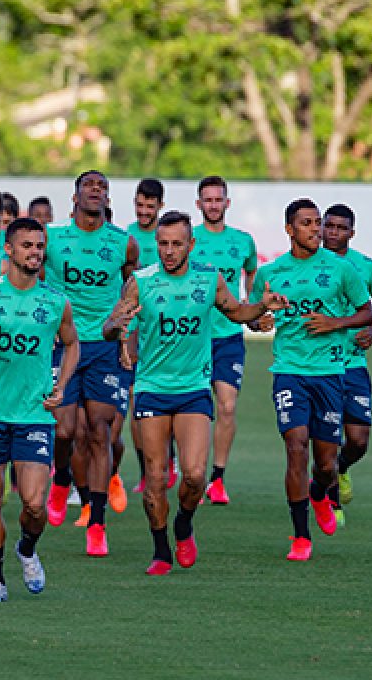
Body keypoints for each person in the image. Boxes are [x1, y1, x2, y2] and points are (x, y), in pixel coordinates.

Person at [104, 211, 286, 574]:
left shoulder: (209, 278)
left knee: (194, 476)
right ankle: (160, 551)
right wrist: (116, 326)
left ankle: (184, 524)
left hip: (193, 389)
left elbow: (236, 312)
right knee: (155, 478)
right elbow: (111, 325)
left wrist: (262, 308)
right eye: (163, 244)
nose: (169, 251)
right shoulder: (141, 282)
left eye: (176, 244)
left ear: (191, 244)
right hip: (153, 389)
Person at [0, 217, 80, 602]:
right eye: (27, 245)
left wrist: (61, 385)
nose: (35, 252)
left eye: (39, 246)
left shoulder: (55, 300)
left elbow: (72, 344)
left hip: (33, 414)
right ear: (9, 250)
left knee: (33, 504)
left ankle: (27, 548)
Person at [248, 198, 372, 561]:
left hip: (331, 374)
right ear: (289, 230)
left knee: (324, 463)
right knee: (296, 446)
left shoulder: (340, 269)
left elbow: (367, 312)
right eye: (307, 223)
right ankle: (300, 536)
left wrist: (336, 323)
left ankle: (320, 493)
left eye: (317, 222)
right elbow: (253, 313)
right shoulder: (272, 272)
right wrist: (260, 320)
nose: (316, 229)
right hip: (289, 371)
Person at [44, 170, 139, 557]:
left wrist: (125, 337)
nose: (96, 192)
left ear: (107, 198)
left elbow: (133, 291)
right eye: (90, 186)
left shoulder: (123, 243)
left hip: (102, 347)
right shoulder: (52, 238)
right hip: (63, 344)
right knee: (65, 432)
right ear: (76, 194)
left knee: (100, 432)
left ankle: (96, 524)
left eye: (103, 187)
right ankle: (61, 477)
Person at [320, 204, 372, 524]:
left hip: (355, 364)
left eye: (340, 228)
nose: (333, 233)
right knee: (329, 437)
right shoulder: (311, 265)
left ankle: (343, 468)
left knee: (358, 441)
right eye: (328, 226)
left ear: (352, 232)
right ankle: (332, 504)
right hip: (321, 365)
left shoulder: (366, 267)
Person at [190, 175, 257, 505]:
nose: (213, 205)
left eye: (219, 200)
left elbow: (253, 279)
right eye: (208, 200)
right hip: (195, 337)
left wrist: (255, 310)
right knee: (198, 411)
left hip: (229, 335)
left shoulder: (243, 242)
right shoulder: (189, 241)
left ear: (227, 203)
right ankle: (195, 475)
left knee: (227, 407)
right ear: (199, 204)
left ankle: (218, 478)